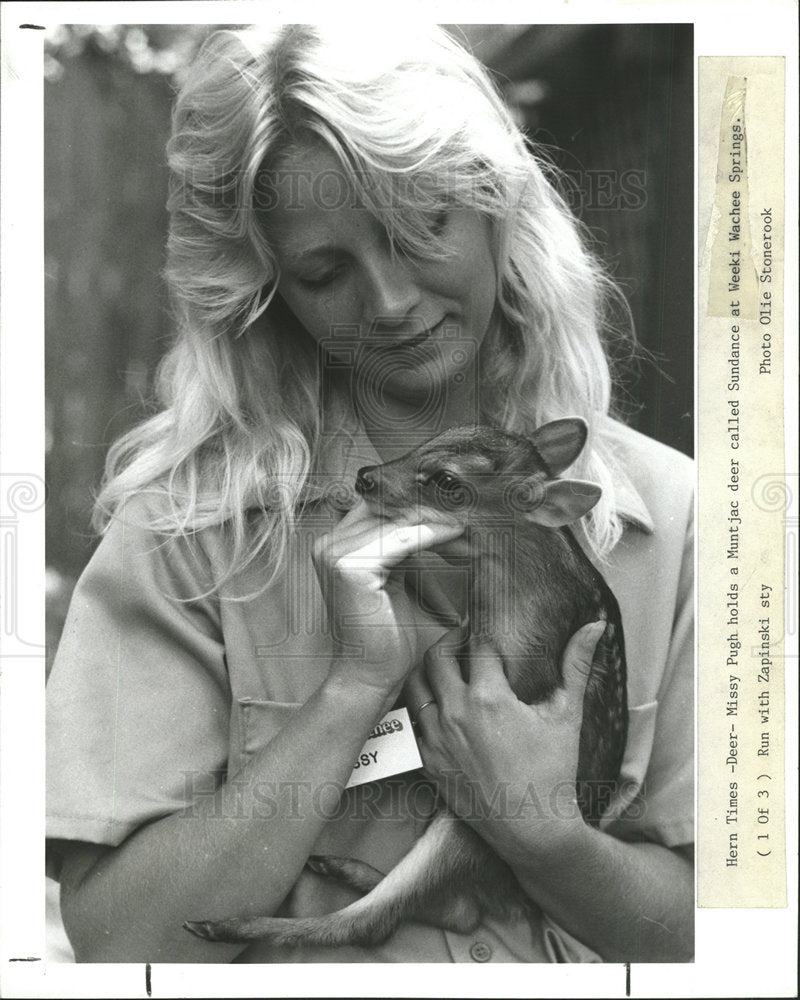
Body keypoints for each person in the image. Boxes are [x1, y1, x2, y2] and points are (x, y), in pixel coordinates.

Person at [46, 22, 694, 964]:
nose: (390, 303)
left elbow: (735, 937)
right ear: (267, 287)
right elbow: (121, 941)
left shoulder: (671, 520)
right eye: (324, 270)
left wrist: (542, 835)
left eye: (421, 227)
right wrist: (352, 686)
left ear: (495, 205)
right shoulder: (189, 533)